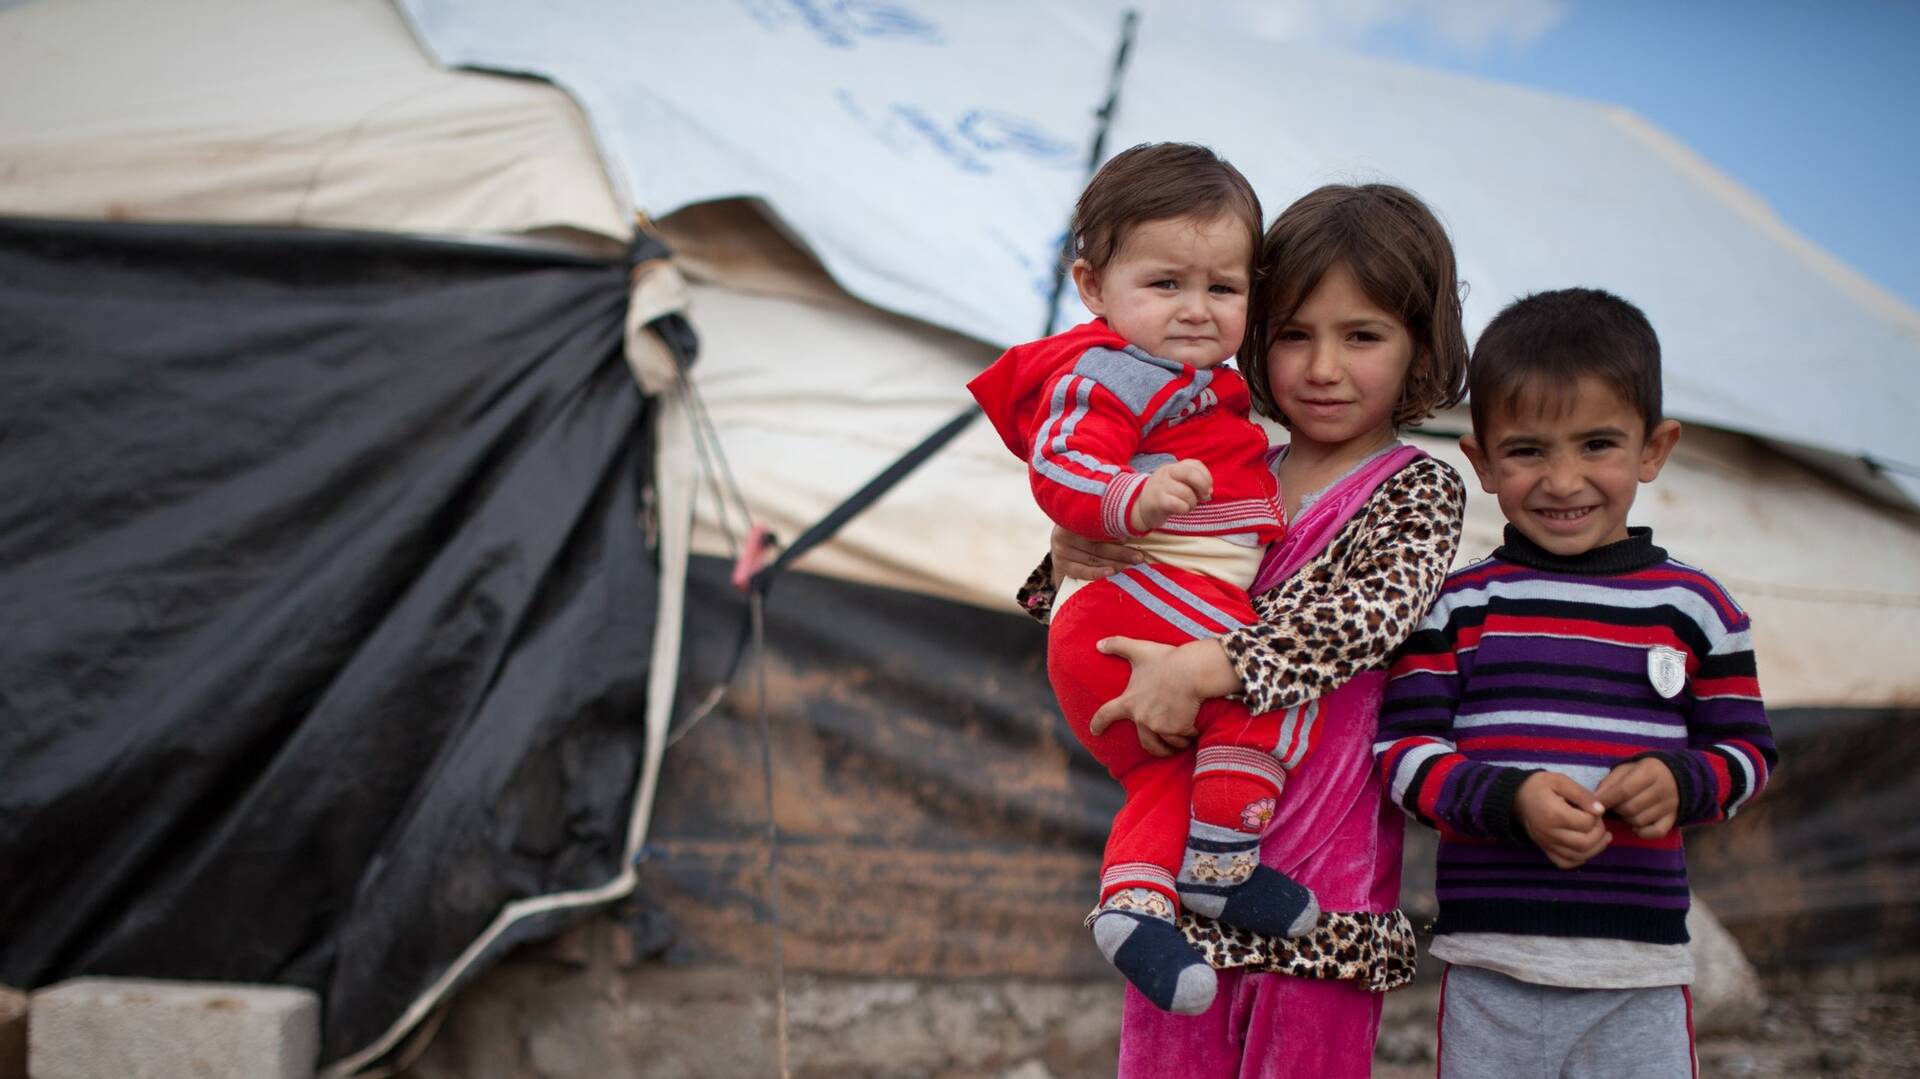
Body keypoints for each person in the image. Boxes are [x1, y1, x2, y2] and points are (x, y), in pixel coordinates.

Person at [1023, 181, 1470, 1077]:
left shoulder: (1417, 487)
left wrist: (1207, 667)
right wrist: (1072, 548)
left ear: (1421, 344)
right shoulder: (1224, 457)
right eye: (1295, 333)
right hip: (1187, 866)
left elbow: (1365, 617)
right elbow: (1128, 573)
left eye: (1363, 336)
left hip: (1319, 877)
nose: (1323, 368)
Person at [1374, 288, 1778, 1077]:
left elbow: (1748, 754)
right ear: (1482, 460)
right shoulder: (1458, 608)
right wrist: (1508, 799)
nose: (1563, 480)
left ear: (1654, 449)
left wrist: (1681, 779)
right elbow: (1401, 755)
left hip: (1641, 973)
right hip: (1492, 964)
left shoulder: (1697, 608)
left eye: (1597, 444)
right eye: (1527, 450)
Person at [970, 142, 1314, 1016]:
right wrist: (1131, 496)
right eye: (1166, 284)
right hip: (1137, 609)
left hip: (1135, 616)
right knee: (1265, 681)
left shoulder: (1203, 383)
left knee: (1164, 777)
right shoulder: (1114, 369)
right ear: (1092, 287)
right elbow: (1064, 459)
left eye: (1224, 289)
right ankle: (1218, 867)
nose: (1197, 311)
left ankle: (1132, 906)